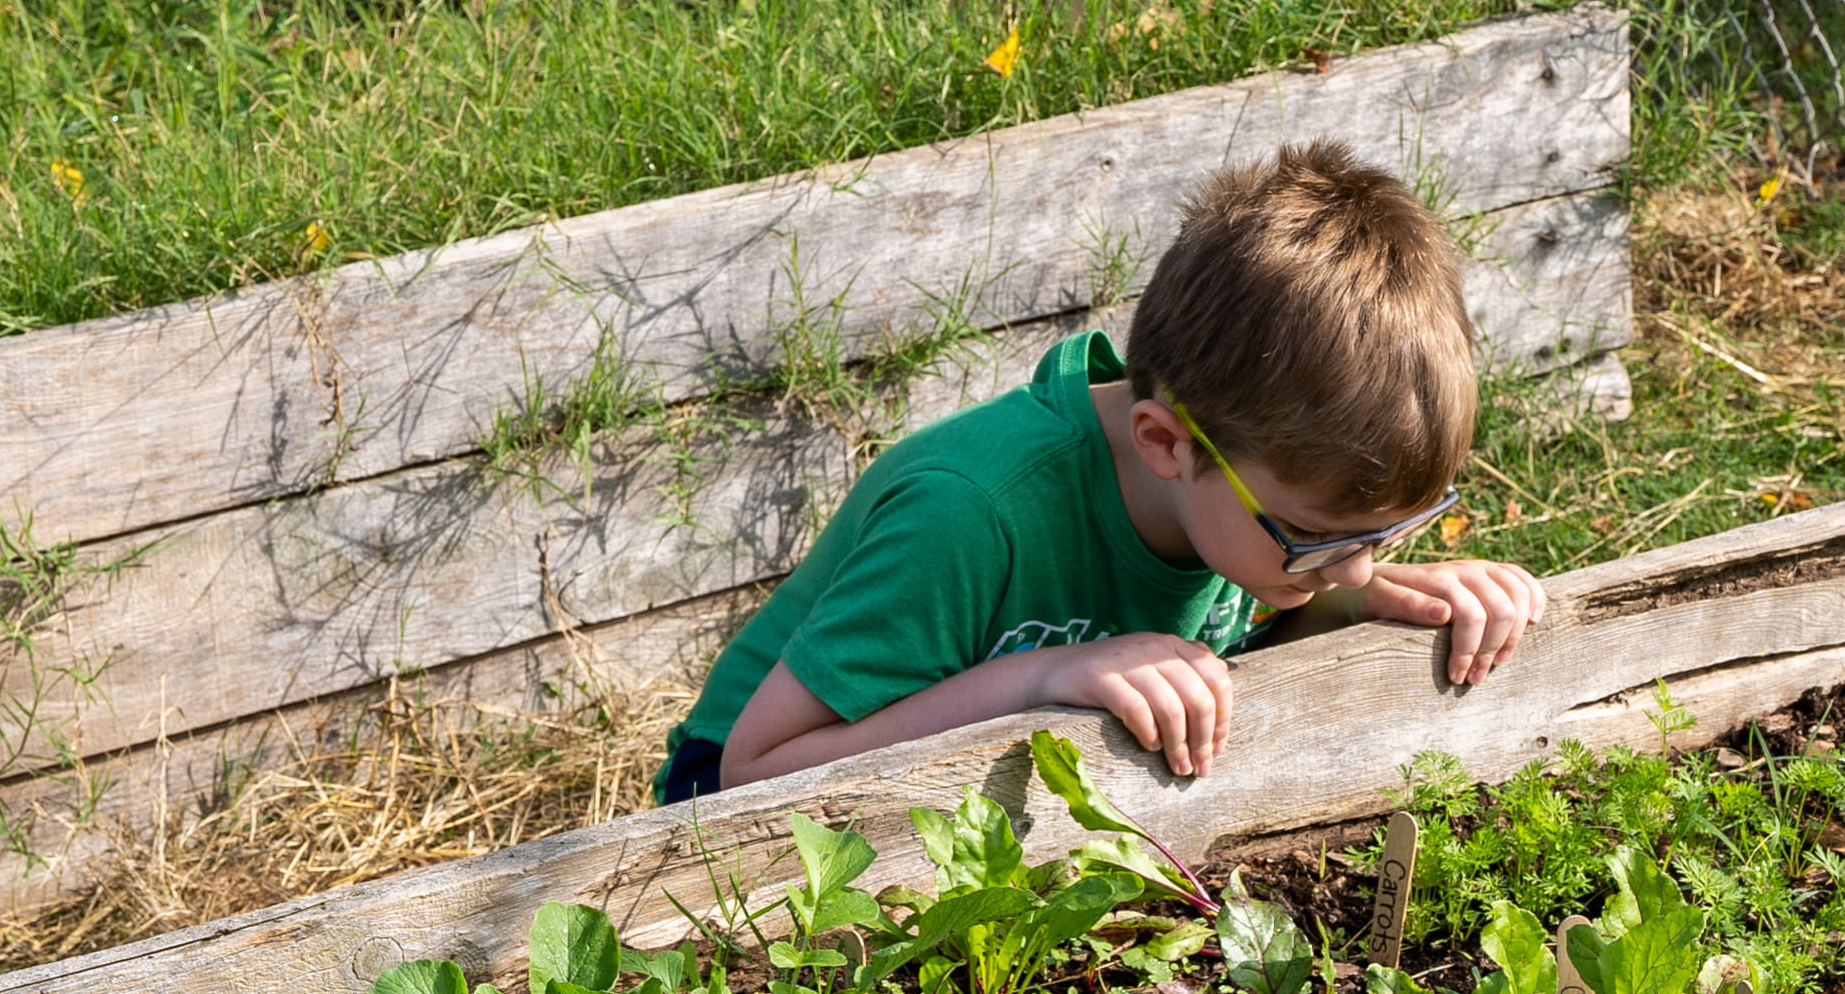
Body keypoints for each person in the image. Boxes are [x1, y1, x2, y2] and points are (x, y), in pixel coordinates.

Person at [655, 140, 1550, 802]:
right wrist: (1041, 680)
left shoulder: (1231, 490)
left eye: (1383, 534)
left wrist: (1375, 599)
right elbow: (756, 770)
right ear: (1167, 442)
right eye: (1315, 539)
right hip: (751, 802)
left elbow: (1262, 612)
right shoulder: (968, 513)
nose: (1348, 566)